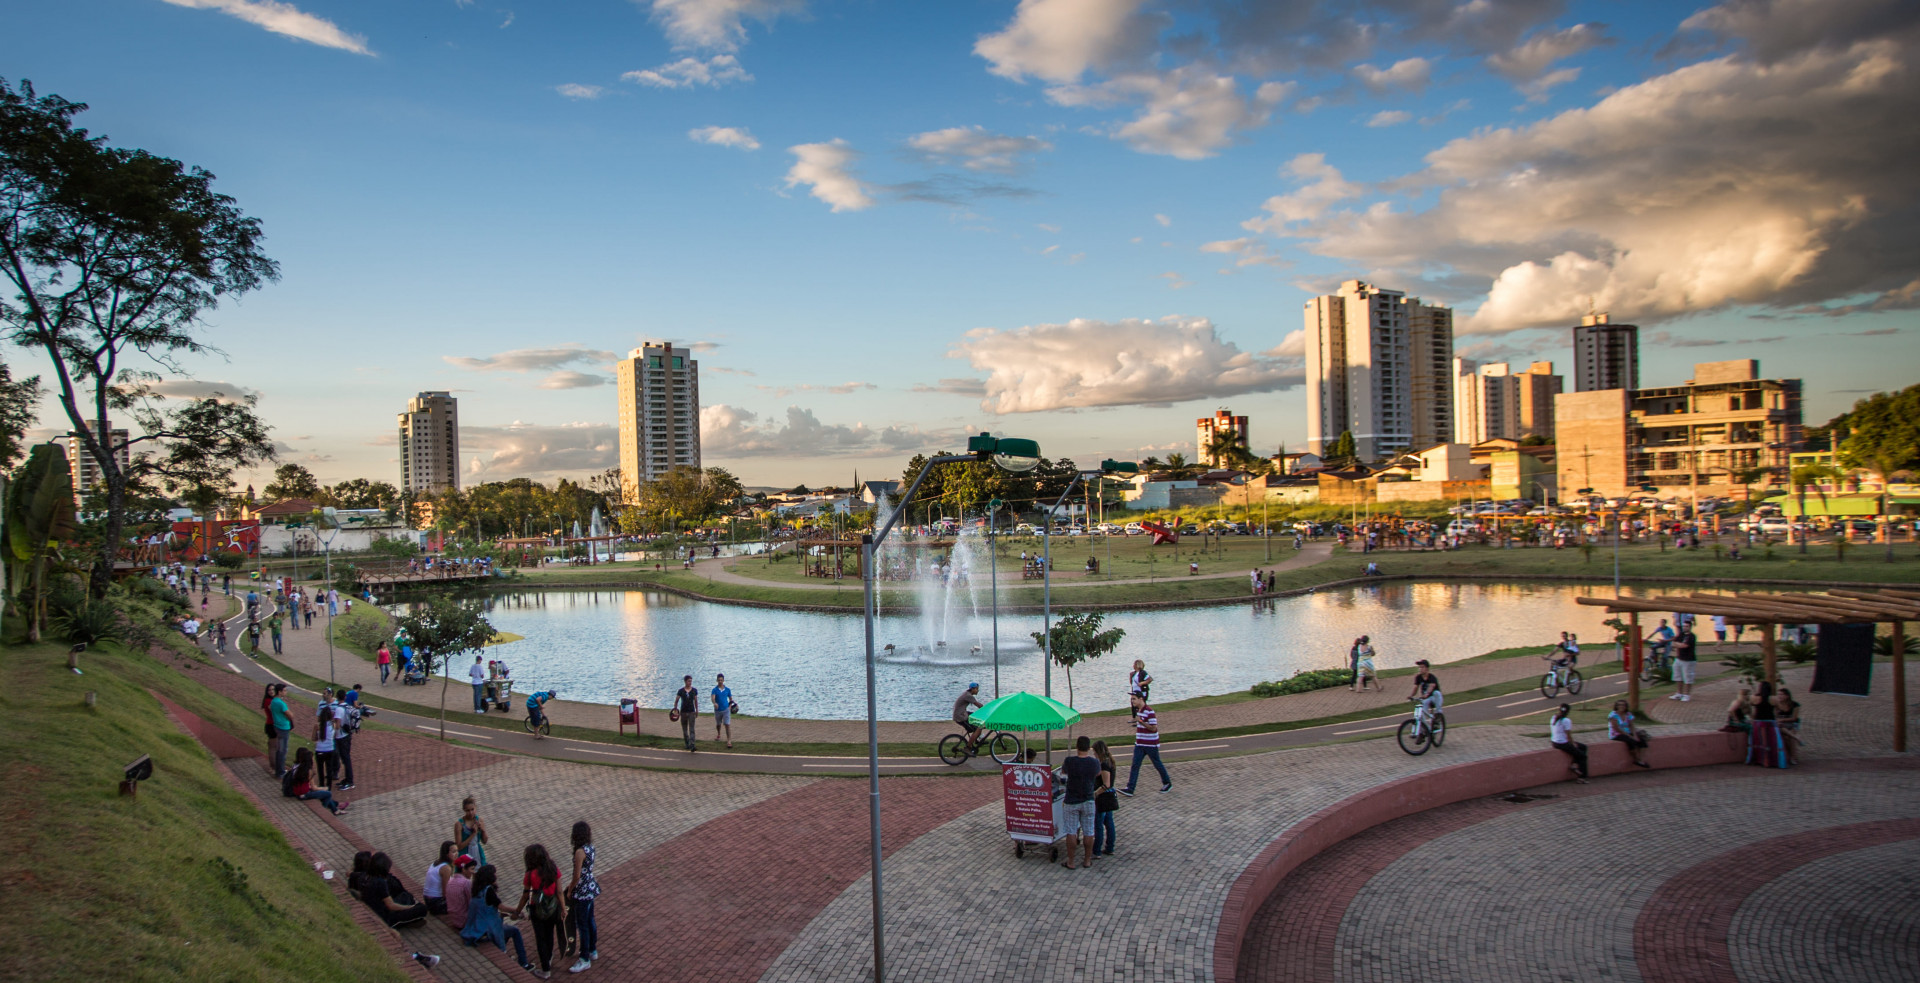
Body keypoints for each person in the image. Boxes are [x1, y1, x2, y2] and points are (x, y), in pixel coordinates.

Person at [507, 844, 566, 979]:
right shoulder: (553, 868)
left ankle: (545, 970)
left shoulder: (530, 874)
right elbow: (559, 891)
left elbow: (525, 895)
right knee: (550, 933)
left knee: (540, 938)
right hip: (552, 907)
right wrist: (563, 908)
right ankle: (549, 957)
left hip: (537, 908)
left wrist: (517, 911)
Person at [461, 864, 532, 973]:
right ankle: (524, 963)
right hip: (486, 930)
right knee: (515, 931)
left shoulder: (476, 889)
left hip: (474, 928)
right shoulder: (488, 891)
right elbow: (501, 907)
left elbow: (485, 909)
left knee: (507, 930)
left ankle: (503, 951)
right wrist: (517, 911)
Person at [1058, 736, 1103, 869]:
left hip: (1071, 799)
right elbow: (1098, 773)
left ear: (1077, 747)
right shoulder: (1094, 763)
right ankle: (1087, 860)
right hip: (1088, 799)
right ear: (1089, 748)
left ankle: (1071, 861)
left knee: (1071, 831)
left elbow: (1062, 776)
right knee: (1089, 830)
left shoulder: (1069, 761)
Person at [1119, 693, 1171, 796]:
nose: (1132, 701)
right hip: (1140, 744)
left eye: (1134, 699)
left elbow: (1153, 728)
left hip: (1150, 744)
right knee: (1135, 765)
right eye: (1131, 699)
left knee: (1157, 763)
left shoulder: (1149, 711)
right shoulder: (1139, 711)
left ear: (1141, 699)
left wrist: (1141, 722)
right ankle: (1130, 788)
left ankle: (1167, 783)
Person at [565, 821, 600, 973]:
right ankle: (592, 950)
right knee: (590, 919)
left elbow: (576, 875)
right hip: (590, 888)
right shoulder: (590, 847)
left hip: (582, 891)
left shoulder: (580, 852)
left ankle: (584, 957)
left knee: (582, 924)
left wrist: (569, 890)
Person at [362, 852, 427, 928]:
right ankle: (407, 922)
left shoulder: (364, 876)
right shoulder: (380, 882)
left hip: (375, 907)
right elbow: (391, 905)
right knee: (422, 908)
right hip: (385, 917)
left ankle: (410, 918)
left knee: (406, 896)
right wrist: (410, 907)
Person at [288, 747, 350, 814]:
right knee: (328, 794)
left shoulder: (298, 768)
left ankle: (335, 809)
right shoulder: (309, 771)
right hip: (305, 794)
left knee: (322, 794)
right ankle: (323, 810)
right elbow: (314, 788)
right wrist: (324, 788)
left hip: (297, 792)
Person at [1748, 680, 1788, 768]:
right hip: (1770, 723)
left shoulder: (1754, 698)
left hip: (1758, 722)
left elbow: (1750, 705)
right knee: (1772, 742)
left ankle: (1759, 759)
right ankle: (1772, 760)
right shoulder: (1773, 699)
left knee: (1759, 741)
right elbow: (1782, 708)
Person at [1091, 739, 1118, 856]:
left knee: (1099, 825)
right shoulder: (1109, 761)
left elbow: (1106, 784)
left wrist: (1096, 793)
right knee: (1109, 823)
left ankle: (1097, 850)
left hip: (1103, 797)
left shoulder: (1104, 764)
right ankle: (1110, 847)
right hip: (1109, 796)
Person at [1549, 703, 1588, 783]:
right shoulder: (1566, 721)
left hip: (1555, 742)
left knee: (1583, 747)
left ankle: (1574, 764)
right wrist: (1573, 744)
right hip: (1562, 743)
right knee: (1583, 756)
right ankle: (1582, 777)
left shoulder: (1553, 717)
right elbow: (1568, 735)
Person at [1607, 700, 1651, 768]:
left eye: (1623, 705)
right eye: (1619, 705)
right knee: (1631, 742)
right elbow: (1616, 728)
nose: (1621, 706)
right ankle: (1636, 759)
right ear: (1616, 706)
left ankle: (1641, 760)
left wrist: (1635, 735)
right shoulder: (1613, 715)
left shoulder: (1628, 714)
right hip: (1616, 734)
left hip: (1628, 731)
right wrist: (1629, 736)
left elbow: (1631, 725)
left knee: (1642, 741)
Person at [456, 796, 490, 867]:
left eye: (472, 809)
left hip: (477, 852)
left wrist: (483, 830)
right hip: (465, 853)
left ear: (475, 808)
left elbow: (485, 841)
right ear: (464, 810)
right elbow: (459, 847)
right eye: (468, 810)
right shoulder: (459, 824)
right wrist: (473, 834)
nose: (471, 813)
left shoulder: (479, 820)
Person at [267, 684, 293, 777]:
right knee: (282, 750)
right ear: (280, 692)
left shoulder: (274, 701)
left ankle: (279, 769)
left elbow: (270, 708)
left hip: (277, 726)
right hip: (283, 727)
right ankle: (280, 771)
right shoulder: (281, 703)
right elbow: (290, 715)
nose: (286, 692)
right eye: (284, 691)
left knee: (279, 749)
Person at [424, 841, 455, 915]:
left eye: (457, 851)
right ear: (446, 853)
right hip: (436, 903)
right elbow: (445, 892)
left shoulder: (436, 863)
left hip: (428, 899)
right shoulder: (446, 868)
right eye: (454, 852)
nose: (456, 854)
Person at [1669, 624, 1698, 702]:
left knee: (1688, 677)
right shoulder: (1681, 634)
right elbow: (1673, 643)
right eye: (1684, 626)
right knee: (1678, 676)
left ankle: (1687, 695)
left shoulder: (1692, 636)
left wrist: (1678, 645)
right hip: (1679, 659)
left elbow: (1684, 646)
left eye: (1687, 626)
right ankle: (1679, 693)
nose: (1685, 627)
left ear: (1690, 627)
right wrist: (1678, 644)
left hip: (1688, 660)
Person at [1774, 686, 1803, 765]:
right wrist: (1779, 720)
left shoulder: (1795, 705)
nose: (1779, 696)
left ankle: (1793, 757)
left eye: (1781, 694)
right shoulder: (1776, 705)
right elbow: (1775, 717)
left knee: (1790, 738)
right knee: (1786, 735)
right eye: (1778, 694)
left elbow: (1794, 718)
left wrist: (1782, 720)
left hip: (1791, 724)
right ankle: (1797, 738)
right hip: (1781, 725)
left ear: (1787, 696)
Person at [952, 683, 986, 749]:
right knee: (978, 728)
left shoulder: (967, 694)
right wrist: (988, 709)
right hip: (960, 716)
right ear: (972, 689)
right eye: (976, 689)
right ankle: (968, 747)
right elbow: (979, 705)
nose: (978, 691)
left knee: (978, 718)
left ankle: (977, 739)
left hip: (962, 713)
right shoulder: (968, 696)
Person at [445, 854, 476, 927]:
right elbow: (472, 902)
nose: (473, 872)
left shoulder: (450, 881)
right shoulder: (466, 883)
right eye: (472, 869)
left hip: (454, 919)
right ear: (463, 869)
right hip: (464, 920)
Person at [313, 705, 339, 789]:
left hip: (319, 749)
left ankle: (321, 784)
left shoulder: (317, 726)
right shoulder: (333, 725)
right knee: (329, 767)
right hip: (330, 749)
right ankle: (329, 785)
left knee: (320, 768)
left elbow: (313, 738)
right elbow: (334, 736)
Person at [675, 675, 700, 752]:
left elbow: (695, 701)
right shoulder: (681, 691)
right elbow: (676, 701)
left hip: (691, 711)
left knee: (692, 729)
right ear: (685, 681)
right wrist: (676, 710)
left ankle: (692, 744)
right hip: (683, 712)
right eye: (689, 681)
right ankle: (687, 743)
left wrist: (696, 710)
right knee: (685, 729)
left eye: (691, 681)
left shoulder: (694, 690)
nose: (690, 683)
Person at [712, 673, 735, 749]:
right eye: (719, 680)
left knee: (727, 725)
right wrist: (714, 703)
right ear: (717, 680)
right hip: (718, 710)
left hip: (726, 710)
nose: (720, 681)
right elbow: (713, 698)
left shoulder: (727, 690)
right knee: (718, 724)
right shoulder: (714, 690)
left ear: (723, 680)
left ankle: (729, 741)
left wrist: (730, 706)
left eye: (721, 680)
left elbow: (731, 699)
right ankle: (718, 734)